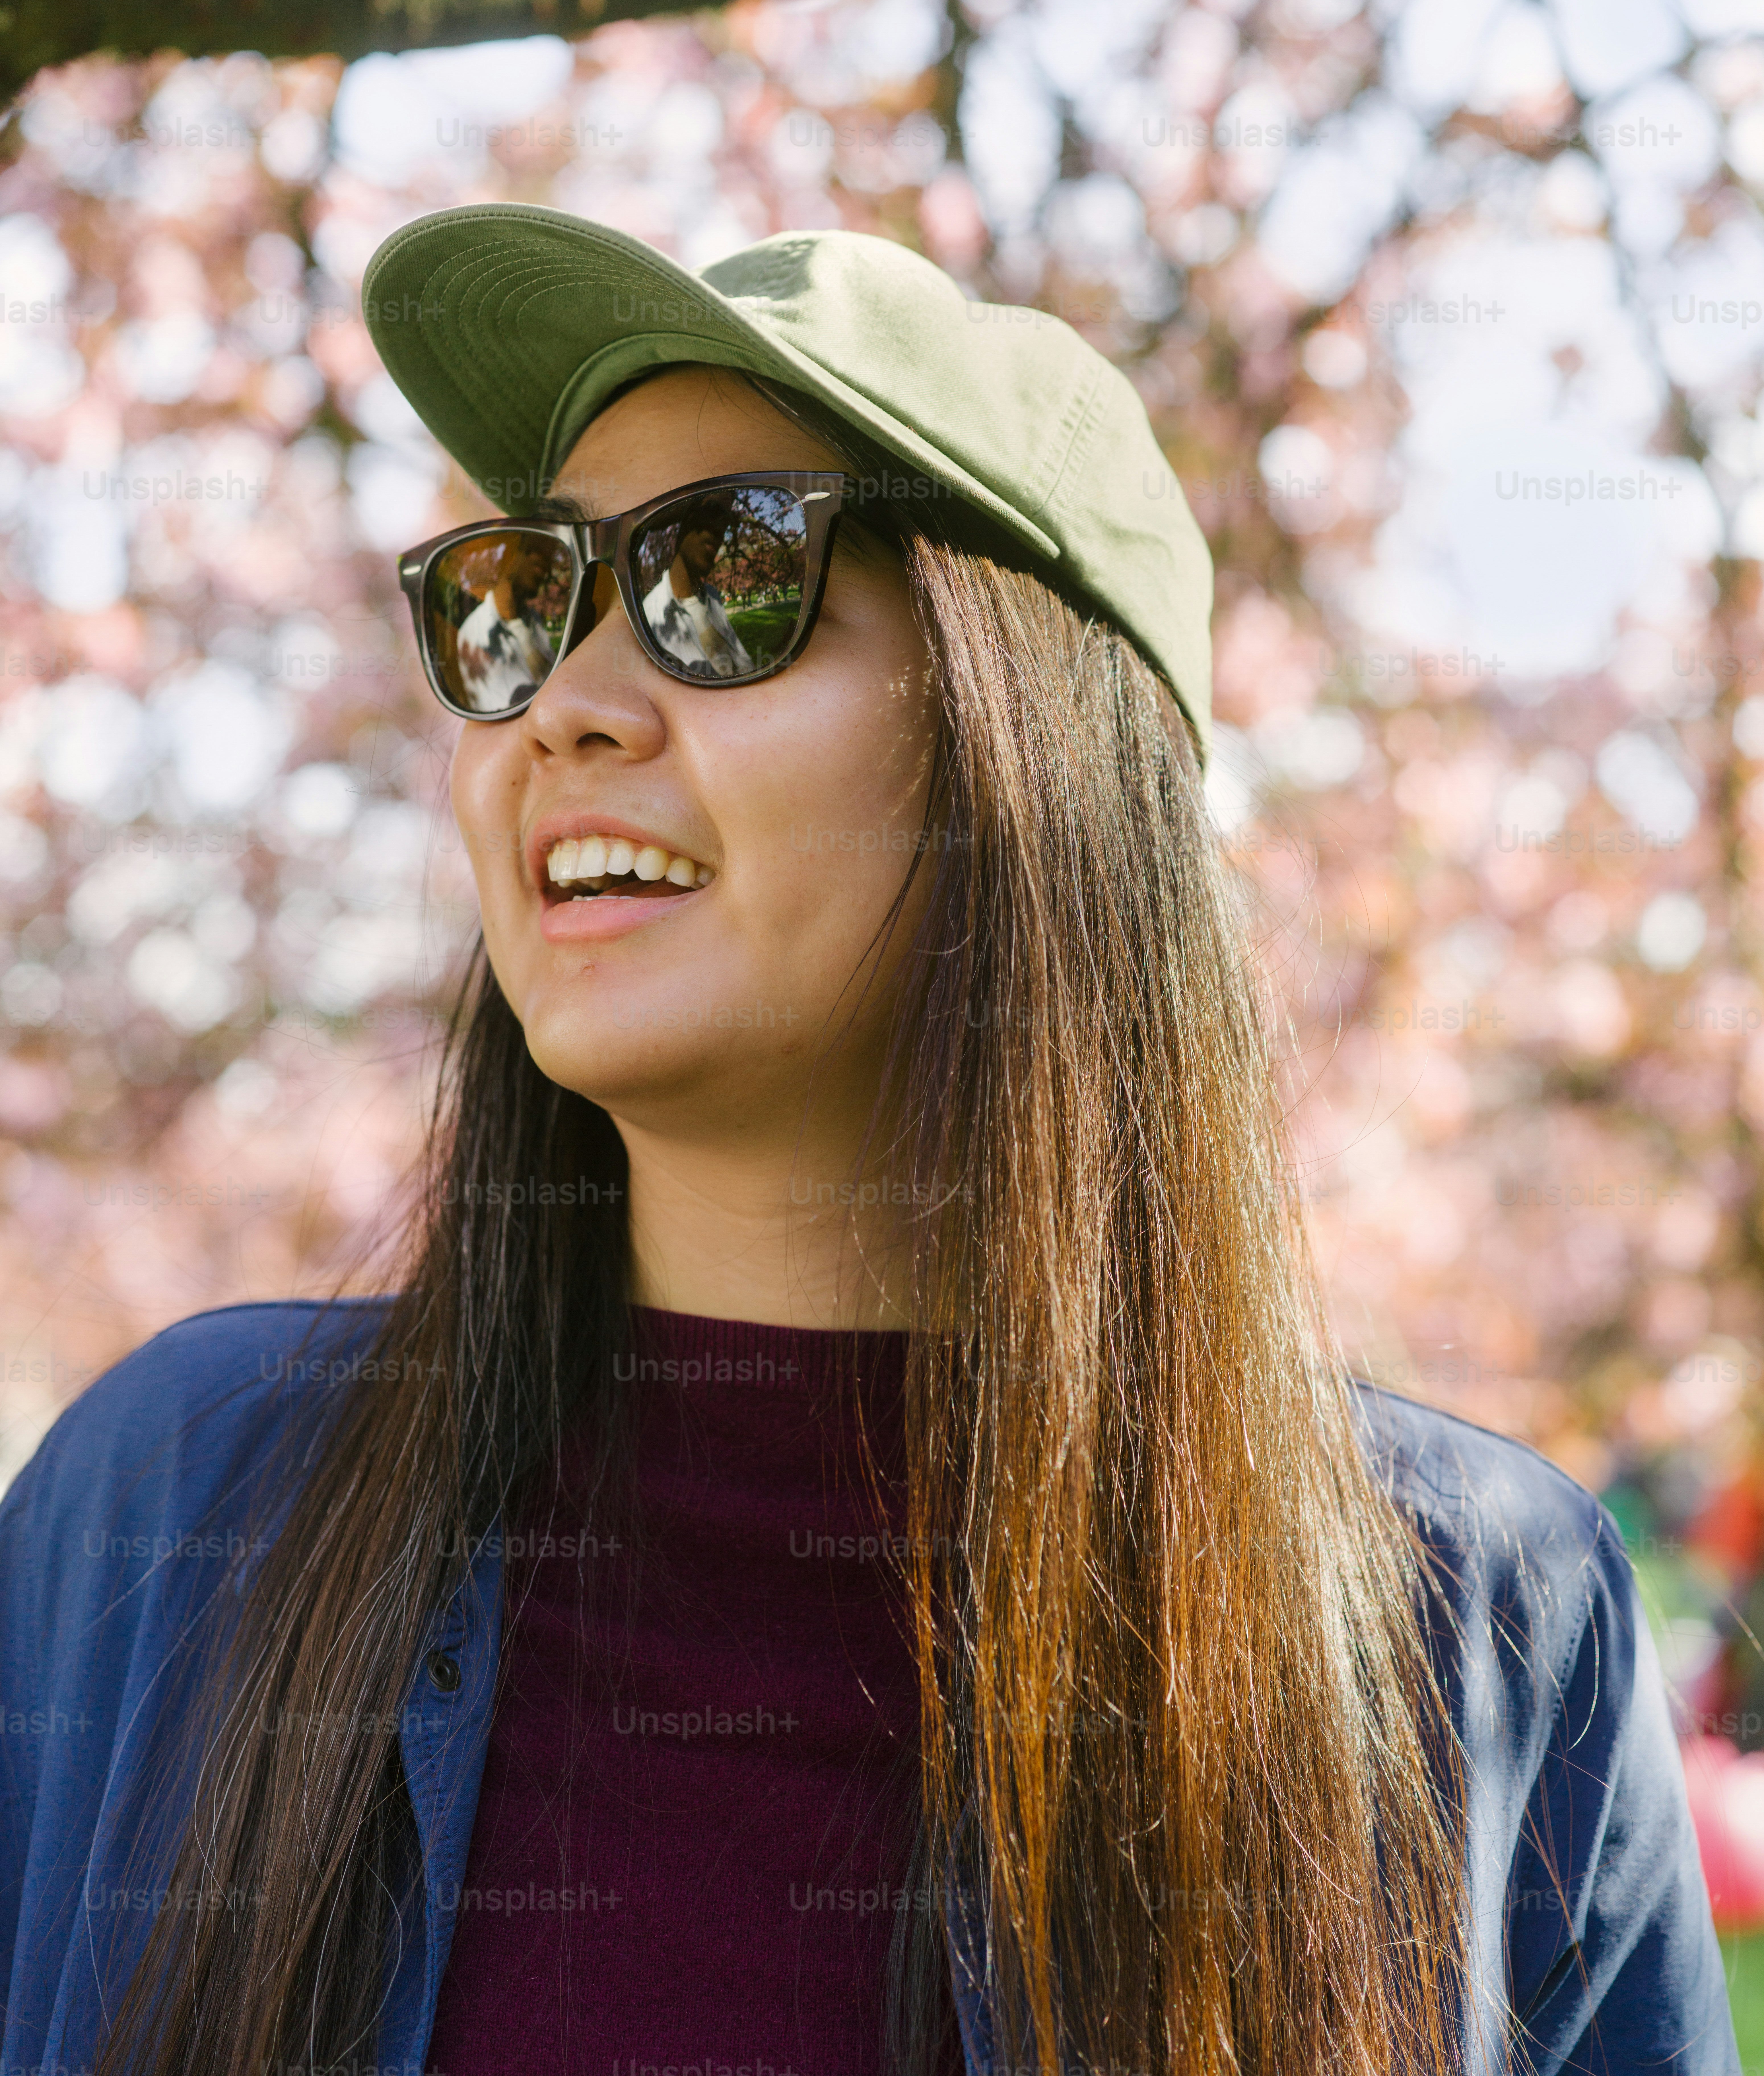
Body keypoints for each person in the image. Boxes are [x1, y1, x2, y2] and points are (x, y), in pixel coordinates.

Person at [0, 211, 1738, 2076]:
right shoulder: (174, 1510)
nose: (566, 707)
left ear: (1037, 757)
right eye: (522, 598)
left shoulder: (1472, 1624)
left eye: (720, 580)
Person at [638, 500, 757, 678]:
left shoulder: (712, 597)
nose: (719, 535)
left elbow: (743, 662)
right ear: (686, 525)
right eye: (710, 519)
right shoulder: (650, 616)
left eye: (723, 529)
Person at [453, 532, 559, 711]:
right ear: (511, 561)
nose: (546, 573)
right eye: (538, 563)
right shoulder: (474, 633)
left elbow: (551, 676)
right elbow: (520, 703)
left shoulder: (532, 618)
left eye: (548, 564)